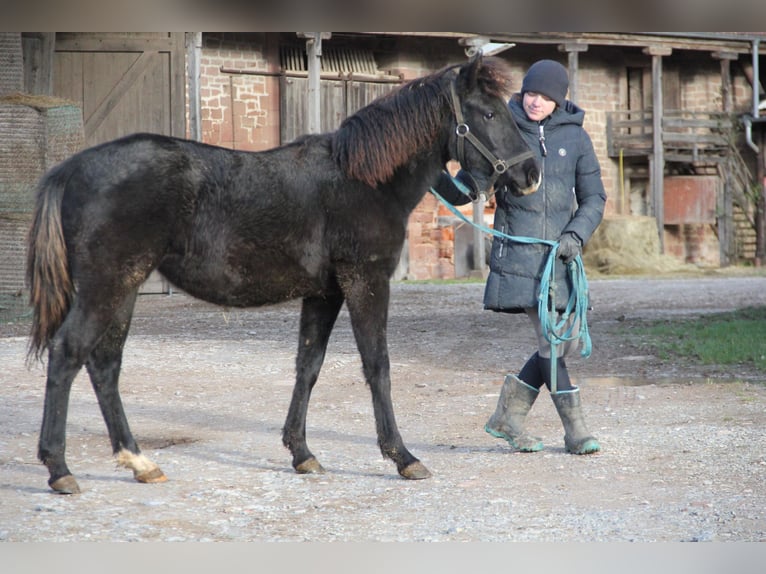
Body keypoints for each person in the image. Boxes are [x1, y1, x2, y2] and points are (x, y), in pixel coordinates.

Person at [433, 59, 606, 455]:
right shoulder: (504, 128)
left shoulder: (577, 139)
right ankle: (576, 430)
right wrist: (435, 177)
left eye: (545, 96)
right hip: (521, 257)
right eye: (531, 93)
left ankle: (508, 417)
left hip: (562, 259)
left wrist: (576, 235)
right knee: (549, 338)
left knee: (563, 344)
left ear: (558, 100)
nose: (535, 102)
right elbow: (471, 185)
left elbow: (594, 197)